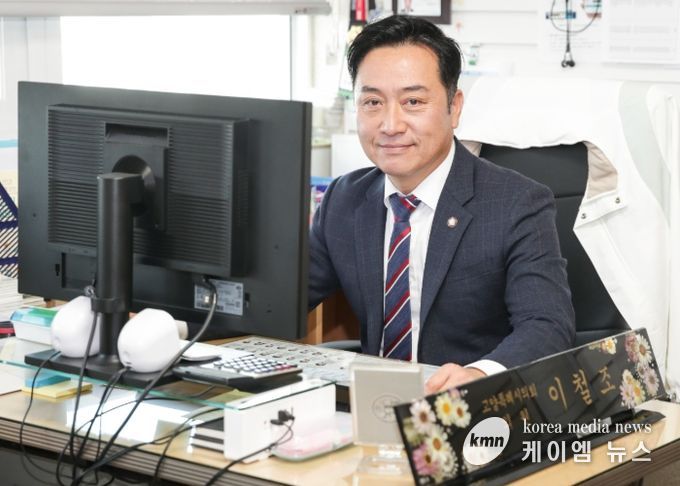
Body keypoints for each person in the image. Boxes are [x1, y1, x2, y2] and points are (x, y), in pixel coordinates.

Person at [308, 15, 575, 393]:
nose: (390, 125)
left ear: (454, 107)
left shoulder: (517, 204)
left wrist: (480, 375)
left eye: (413, 101)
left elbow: (547, 325)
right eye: (372, 102)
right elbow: (279, 300)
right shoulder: (344, 199)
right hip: (371, 404)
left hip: (471, 411)